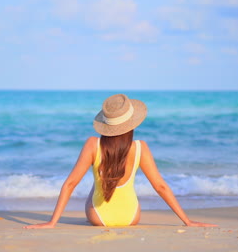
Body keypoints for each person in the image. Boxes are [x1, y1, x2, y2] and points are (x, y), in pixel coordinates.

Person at [24, 94, 217, 228]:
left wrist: (52, 223)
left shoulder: (92, 144)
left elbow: (70, 184)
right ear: (131, 123)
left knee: (98, 178)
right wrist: (187, 221)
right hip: (131, 217)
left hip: (98, 218)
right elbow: (160, 186)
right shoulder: (140, 147)